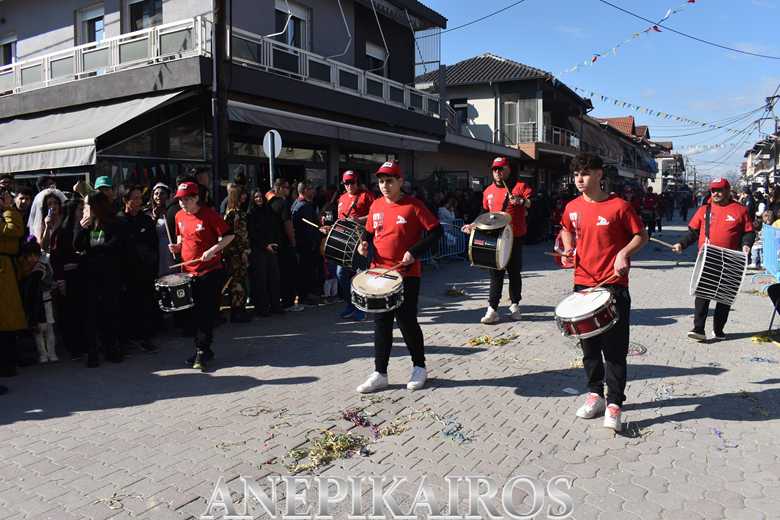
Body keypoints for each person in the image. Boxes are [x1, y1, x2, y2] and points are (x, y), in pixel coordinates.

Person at [559, 153, 648, 432]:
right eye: (576, 174)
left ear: (599, 174)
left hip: (613, 286)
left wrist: (623, 253)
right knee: (588, 348)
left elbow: (641, 235)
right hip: (583, 285)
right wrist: (568, 249)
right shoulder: (572, 207)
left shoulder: (619, 206)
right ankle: (595, 395)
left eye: (585, 173)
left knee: (615, 350)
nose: (579, 179)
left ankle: (615, 404)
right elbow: (566, 229)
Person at [355, 161, 442, 394]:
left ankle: (419, 367)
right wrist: (363, 243)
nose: (384, 185)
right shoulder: (376, 205)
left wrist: (414, 252)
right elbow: (369, 232)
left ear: (400, 181)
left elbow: (436, 232)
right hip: (379, 273)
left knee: (406, 322)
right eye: (381, 181)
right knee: (381, 323)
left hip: (406, 274)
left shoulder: (414, 205)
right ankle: (380, 373)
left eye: (389, 181)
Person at [672, 178, 754, 341]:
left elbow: (749, 232)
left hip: (731, 259)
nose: (716, 193)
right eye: (713, 190)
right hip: (708, 257)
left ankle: (718, 329)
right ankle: (698, 328)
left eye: (719, 190)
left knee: (725, 296)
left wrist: (746, 244)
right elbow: (694, 232)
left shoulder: (740, 210)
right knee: (703, 294)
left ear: (728, 191)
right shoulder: (705, 209)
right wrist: (681, 244)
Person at [168, 181, 234, 371]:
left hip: (209, 271)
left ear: (196, 198)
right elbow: (182, 237)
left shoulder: (209, 215)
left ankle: (201, 351)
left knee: (205, 313)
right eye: (180, 200)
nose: (183, 203)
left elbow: (229, 235)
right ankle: (204, 349)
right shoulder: (179, 216)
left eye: (187, 199)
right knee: (193, 315)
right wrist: (177, 247)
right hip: (188, 272)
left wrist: (213, 250)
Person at [461, 157, 533, 324]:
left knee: (514, 272)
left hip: (515, 237)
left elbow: (531, 203)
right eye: (495, 169)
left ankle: (515, 305)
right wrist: (473, 224)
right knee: (495, 273)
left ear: (509, 169)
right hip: (495, 236)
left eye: (501, 169)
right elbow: (484, 213)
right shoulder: (488, 191)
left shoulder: (520, 186)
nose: (498, 172)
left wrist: (521, 201)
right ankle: (492, 309)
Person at [74, 191, 126, 367]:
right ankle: (92, 352)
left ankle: (111, 348)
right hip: (90, 276)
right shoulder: (85, 224)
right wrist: (83, 229)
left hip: (110, 274)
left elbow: (116, 245)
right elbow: (77, 245)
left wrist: (97, 249)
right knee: (91, 315)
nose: (86, 209)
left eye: (88, 205)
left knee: (110, 312)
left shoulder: (114, 223)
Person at [117, 185, 159, 352]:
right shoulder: (119, 221)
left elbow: (154, 245)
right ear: (125, 200)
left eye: (140, 198)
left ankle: (145, 338)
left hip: (144, 271)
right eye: (134, 198)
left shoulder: (146, 220)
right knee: (127, 307)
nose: (138, 201)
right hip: (125, 272)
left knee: (145, 305)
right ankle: (127, 339)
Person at [335, 171, 374, 320]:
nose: (349, 185)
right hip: (346, 242)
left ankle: (361, 308)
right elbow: (340, 220)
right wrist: (331, 228)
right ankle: (351, 304)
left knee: (361, 275)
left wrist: (359, 220)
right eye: (346, 183)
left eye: (351, 182)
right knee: (340, 273)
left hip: (362, 242)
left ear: (357, 182)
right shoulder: (342, 198)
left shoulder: (366, 196)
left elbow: (375, 214)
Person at [0, 185, 27, 385]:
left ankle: (9, 362)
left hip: (7, 268)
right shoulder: (7, 214)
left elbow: (16, 233)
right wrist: (8, 209)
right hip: (3, 268)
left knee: (8, 320)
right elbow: (14, 230)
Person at [17, 241, 57, 363]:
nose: (32, 258)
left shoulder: (41, 266)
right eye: (29, 256)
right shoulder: (27, 268)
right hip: (40, 302)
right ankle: (45, 354)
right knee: (40, 330)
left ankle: (49, 353)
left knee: (47, 328)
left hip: (44, 300)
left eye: (34, 255)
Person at [267, 178, 301, 311]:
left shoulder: (268, 202)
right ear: (279, 188)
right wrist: (293, 241)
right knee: (288, 274)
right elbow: (288, 224)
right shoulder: (283, 203)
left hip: (272, 244)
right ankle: (289, 303)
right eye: (286, 187)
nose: (288, 190)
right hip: (284, 244)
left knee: (277, 275)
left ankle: (276, 301)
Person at [247, 189, 282, 316]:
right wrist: (265, 245)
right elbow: (252, 233)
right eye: (256, 197)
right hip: (258, 250)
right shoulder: (251, 214)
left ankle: (275, 305)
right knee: (260, 280)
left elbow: (275, 228)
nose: (259, 199)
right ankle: (262, 308)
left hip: (271, 248)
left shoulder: (269, 211)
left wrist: (275, 243)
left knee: (274, 278)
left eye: (261, 196)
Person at [222, 183, 252, 322]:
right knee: (237, 282)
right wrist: (244, 252)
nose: (245, 196)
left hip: (235, 252)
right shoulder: (235, 213)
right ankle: (237, 311)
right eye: (242, 194)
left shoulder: (232, 212)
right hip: (236, 253)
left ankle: (239, 309)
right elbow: (238, 236)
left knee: (238, 281)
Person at [291, 181, 324, 306]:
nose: (313, 191)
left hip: (303, 244)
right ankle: (306, 296)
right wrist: (316, 240)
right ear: (304, 190)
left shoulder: (297, 203)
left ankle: (305, 295)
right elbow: (310, 229)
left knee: (305, 270)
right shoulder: (303, 206)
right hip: (306, 245)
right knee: (306, 271)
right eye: (311, 189)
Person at [148, 182, 174, 277]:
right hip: (156, 249)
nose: (158, 196)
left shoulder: (172, 211)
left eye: (162, 193)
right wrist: (154, 217)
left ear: (168, 195)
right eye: (156, 193)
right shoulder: (148, 212)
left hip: (170, 248)